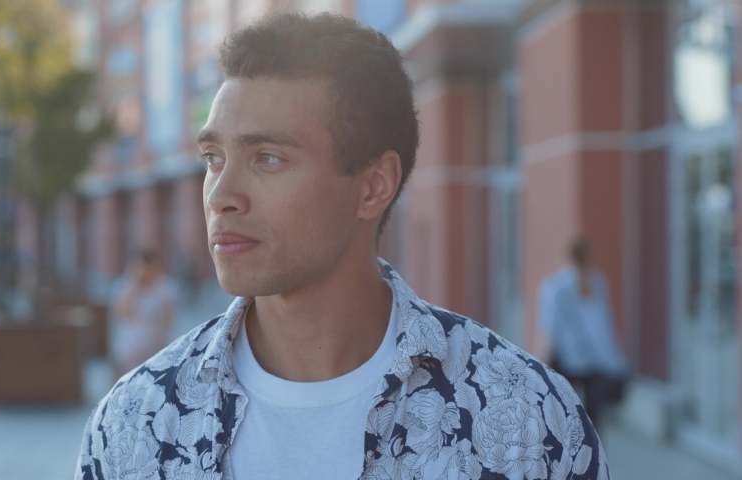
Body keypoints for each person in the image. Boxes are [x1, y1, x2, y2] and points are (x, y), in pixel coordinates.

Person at [77, 12, 608, 480]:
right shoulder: (135, 425)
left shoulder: (528, 423)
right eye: (213, 157)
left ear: (374, 185)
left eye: (267, 157)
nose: (221, 195)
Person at [538, 238, 629, 433]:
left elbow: (549, 328)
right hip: (597, 359)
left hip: (568, 359)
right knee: (594, 420)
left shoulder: (554, 286)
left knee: (564, 415)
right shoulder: (598, 283)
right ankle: (594, 458)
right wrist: (616, 358)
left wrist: (540, 362)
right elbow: (604, 324)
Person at [110, 248, 177, 377]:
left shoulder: (166, 288)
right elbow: (122, 313)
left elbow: (168, 322)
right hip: (129, 351)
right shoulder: (123, 287)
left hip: (156, 350)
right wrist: (135, 286)